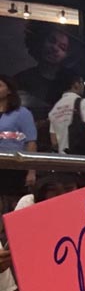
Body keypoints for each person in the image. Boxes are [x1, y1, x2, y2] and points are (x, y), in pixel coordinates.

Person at [0, 75, 37, 212]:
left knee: (14, 204)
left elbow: (31, 142)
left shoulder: (22, 113)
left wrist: (31, 171)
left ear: (9, 90)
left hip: (15, 166)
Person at [47, 70, 85, 156]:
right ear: (76, 84)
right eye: (83, 83)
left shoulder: (54, 110)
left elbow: (54, 142)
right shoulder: (82, 103)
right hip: (83, 157)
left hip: (63, 159)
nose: (83, 86)